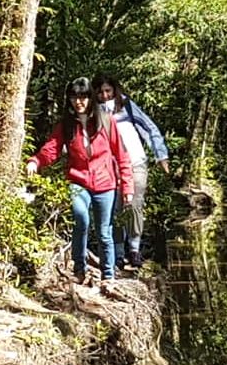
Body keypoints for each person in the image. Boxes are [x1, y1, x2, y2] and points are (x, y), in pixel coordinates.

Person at [27, 77, 133, 286]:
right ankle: (79, 269)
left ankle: (108, 276)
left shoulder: (106, 121)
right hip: (78, 181)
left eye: (83, 96)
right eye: (75, 97)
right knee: (81, 219)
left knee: (104, 232)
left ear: (90, 98)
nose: (79, 101)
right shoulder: (66, 125)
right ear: (69, 100)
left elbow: (121, 154)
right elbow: (52, 149)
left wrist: (127, 187)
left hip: (105, 184)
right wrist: (36, 161)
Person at [93, 74, 169, 270]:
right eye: (100, 92)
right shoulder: (92, 112)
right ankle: (118, 253)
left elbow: (148, 127)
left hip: (135, 161)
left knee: (134, 204)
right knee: (115, 209)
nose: (105, 95)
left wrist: (161, 155)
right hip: (108, 167)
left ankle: (134, 249)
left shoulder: (126, 105)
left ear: (115, 90)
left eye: (108, 91)